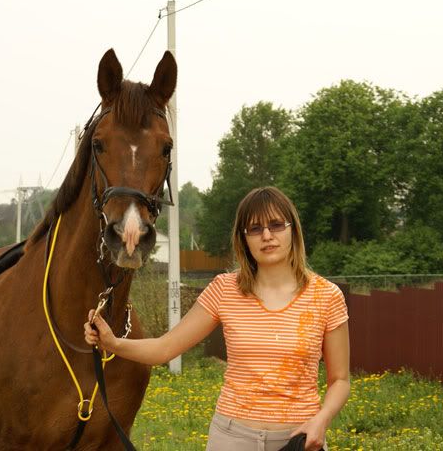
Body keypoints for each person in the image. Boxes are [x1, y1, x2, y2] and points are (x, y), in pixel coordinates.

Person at [84, 186, 350, 451]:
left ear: (293, 229)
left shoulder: (326, 296)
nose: (267, 236)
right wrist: (113, 343)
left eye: (276, 225)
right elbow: (165, 347)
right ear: (243, 238)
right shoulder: (225, 290)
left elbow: (339, 380)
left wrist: (321, 420)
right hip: (233, 439)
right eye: (255, 229)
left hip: (301, 440)